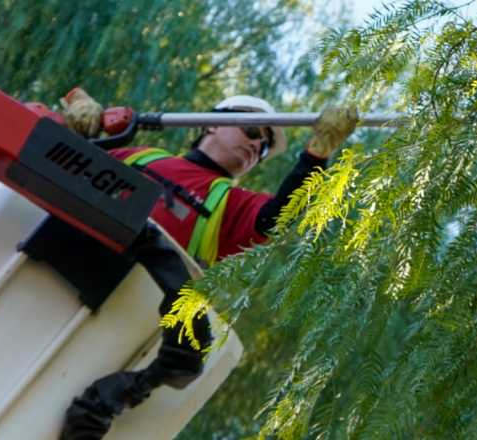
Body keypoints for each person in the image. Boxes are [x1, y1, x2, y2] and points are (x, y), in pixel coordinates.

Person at [56, 88, 358, 439]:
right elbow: (61, 166)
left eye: (263, 149)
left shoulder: (231, 204)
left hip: (117, 311)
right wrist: (80, 127)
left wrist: (317, 154)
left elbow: (279, 216)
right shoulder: (142, 158)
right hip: (55, 264)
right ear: (213, 125)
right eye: (253, 132)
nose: (256, 148)